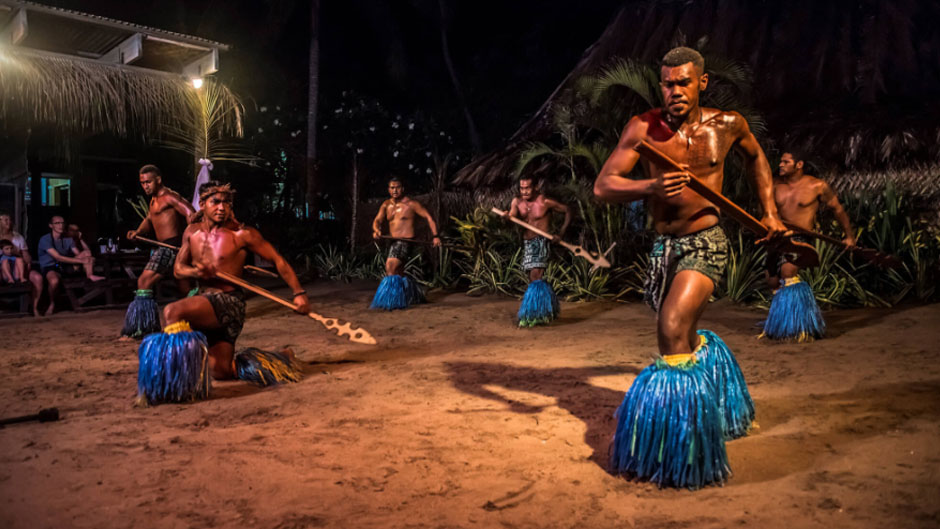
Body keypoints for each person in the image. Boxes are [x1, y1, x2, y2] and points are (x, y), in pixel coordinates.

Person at [594, 47, 787, 488]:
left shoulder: (728, 125)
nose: (674, 91)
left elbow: (756, 158)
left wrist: (770, 213)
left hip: (707, 240)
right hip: (664, 248)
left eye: (683, 82)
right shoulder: (643, 127)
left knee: (673, 325)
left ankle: (685, 445)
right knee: (684, 333)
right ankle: (719, 400)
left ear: (701, 83)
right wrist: (650, 184)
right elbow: (603, 185)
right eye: (667, 83)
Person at [136, 181, 310, 405]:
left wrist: (299, 292)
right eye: (215, 202)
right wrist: (196, 269)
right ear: (202, 204)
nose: (222, 207)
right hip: (204, 300)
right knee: (222, 371)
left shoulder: (241, 234)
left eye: (226, 203)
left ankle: (173, 387)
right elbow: (179, 270)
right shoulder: (191, 233)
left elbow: (278, 261)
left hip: (229, 303)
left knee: (172, 312)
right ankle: (280, 358)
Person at [760, 150, 856, 341]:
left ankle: (799, 329)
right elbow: (765, 213)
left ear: (799, 164)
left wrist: (849, 236)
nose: (780, 165)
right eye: (780, 161)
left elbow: (837, 209)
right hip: (777, 239)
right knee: (772, 281)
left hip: (800, 239)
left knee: (788, 273)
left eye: (786, 162)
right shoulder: (775, 186)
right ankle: (782, 323)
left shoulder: (817, 186)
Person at [121, 165, 195, 339]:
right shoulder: (154, 199)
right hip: (165, 246)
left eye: (148, 182)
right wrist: (138, 232)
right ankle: (197, 318)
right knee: (184, 287)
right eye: (142, 183)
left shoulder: (168, 196)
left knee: (144, 281)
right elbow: (149, 218)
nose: (145, 186)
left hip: (171, 246)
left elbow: (190, 213)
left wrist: (187, 241)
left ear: (158, 180)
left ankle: (142, 329)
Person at [503, 175, 570, 326]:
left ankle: (534, 315)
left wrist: (561, 233)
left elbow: (567, 210)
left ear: (535, 188)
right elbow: (512, 214)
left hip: (541, 241)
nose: (524, 191)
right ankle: (548, 309)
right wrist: (507, 216)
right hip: (527, 242)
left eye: (527, 188)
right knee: (534, 279)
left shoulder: (544, 202)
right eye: (522, 188)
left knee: (535, 277)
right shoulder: (517, 202)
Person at [369, 176, 441, 310]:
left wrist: (435, 236)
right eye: (392, 187)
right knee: (398, 271)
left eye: (397, 187)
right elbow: (377, 220)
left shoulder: (411, 204)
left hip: (406, 242)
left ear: (402, 189)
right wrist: (376, 230)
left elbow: (429, 218)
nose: (395, 190)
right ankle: (411, 296)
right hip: (393, 241)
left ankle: (392, 302)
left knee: (390, 266)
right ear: (388, 189)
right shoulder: (386, 205)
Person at [28, 216, 105, 316]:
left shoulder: (67, 239)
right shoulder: (45, 239)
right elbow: (58, 257)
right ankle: (52, 303)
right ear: (51, 226)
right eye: (57, 223)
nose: (61, 225)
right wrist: (82, 261)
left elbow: (81, 253)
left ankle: (90, 275)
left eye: (62, 223)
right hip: (50, 266)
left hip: (64, 265)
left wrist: (80, 239)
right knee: (54, 280)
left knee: (87, 254)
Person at [0, 211, 31, 275]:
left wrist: (18, 253)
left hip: (17, 267)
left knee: (37, 277)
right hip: (2, 267)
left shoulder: (18, 237)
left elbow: (27, 258)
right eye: (6, 220)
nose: (9, 222)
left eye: (10, 220)